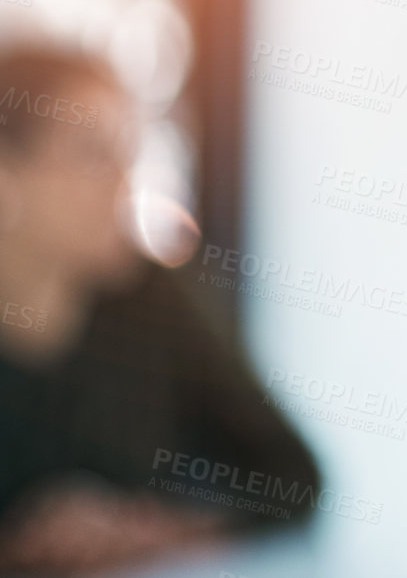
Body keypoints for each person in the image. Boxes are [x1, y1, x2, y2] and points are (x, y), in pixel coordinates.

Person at [0, 43, 322, 573]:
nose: (124, 185)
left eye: (129, 155)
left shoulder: (155, 297)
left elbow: (293, 478)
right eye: (92, 154)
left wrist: (153, 528)